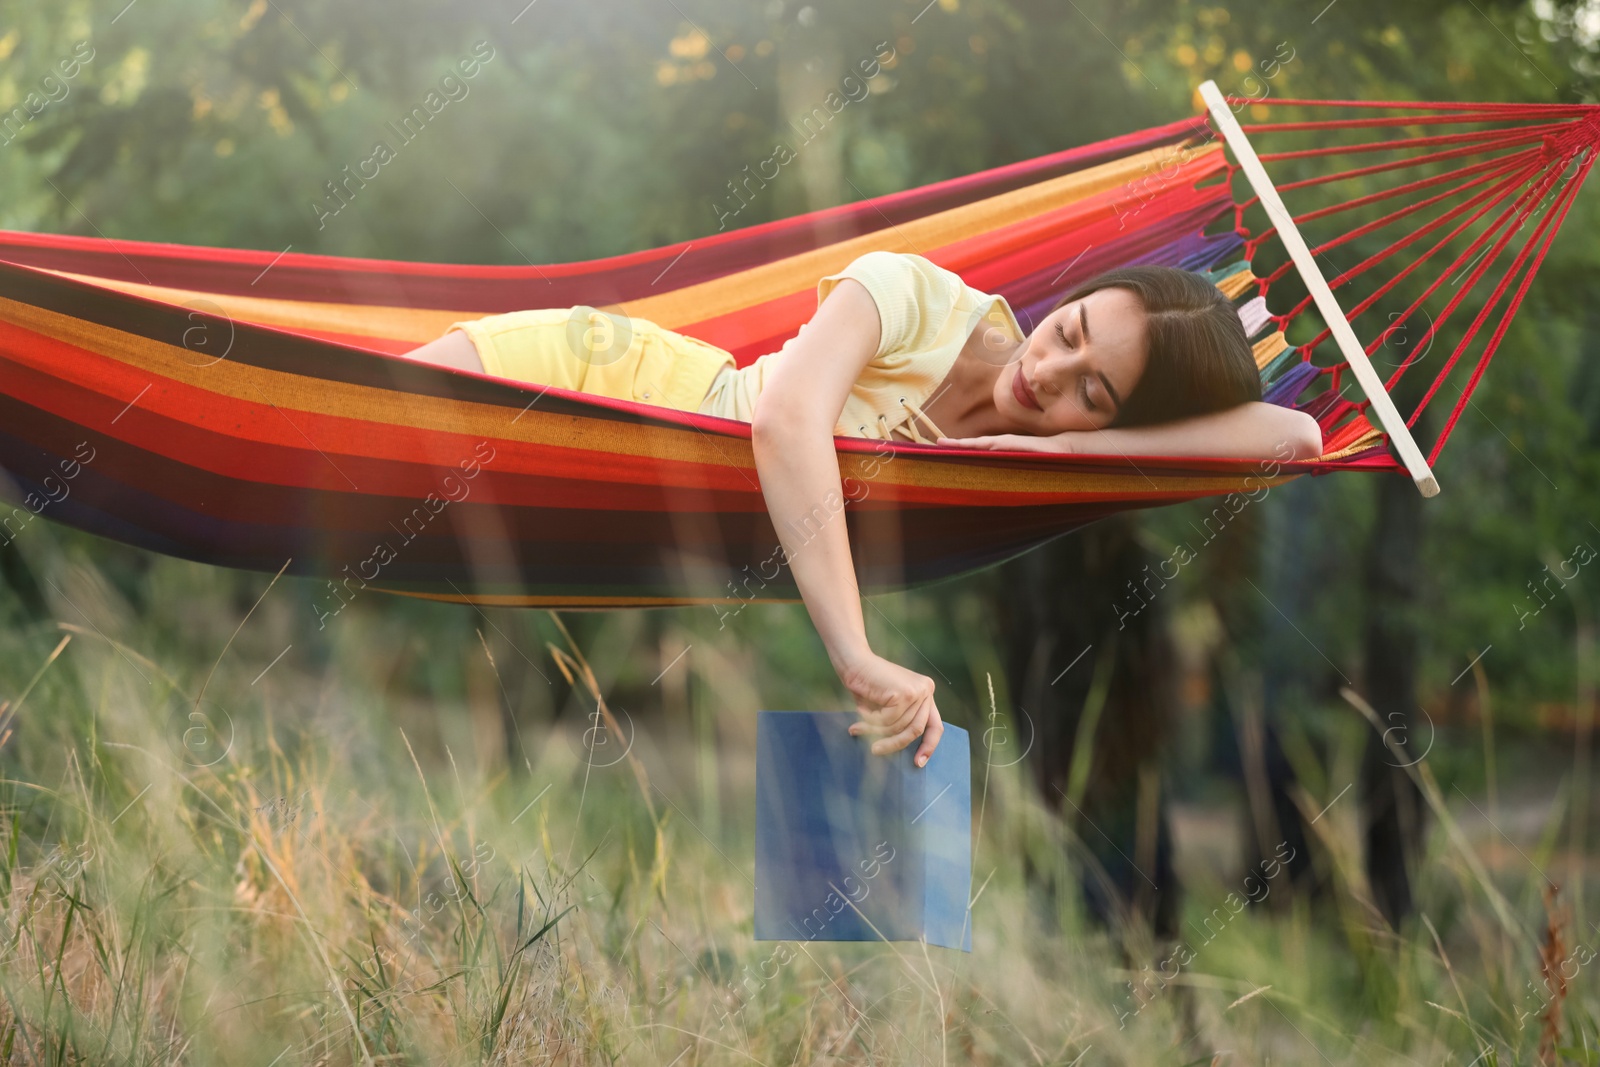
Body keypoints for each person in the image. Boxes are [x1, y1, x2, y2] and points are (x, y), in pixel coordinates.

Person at [399, 250, 1324, 769]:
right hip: (588, 383)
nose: (1045, 375)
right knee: (335, 431)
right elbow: (787, 420)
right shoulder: (910, 293)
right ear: (1069, 299)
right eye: (1067, 332)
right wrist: (855, 652)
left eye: (1093, 392)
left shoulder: (1043, 442)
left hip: (617, 507)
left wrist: (1074, 447)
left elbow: (1297, 438)